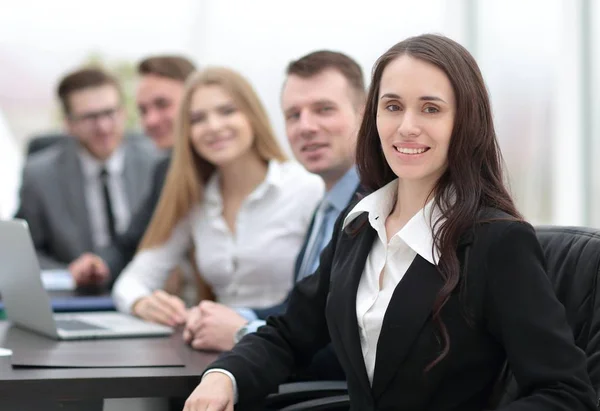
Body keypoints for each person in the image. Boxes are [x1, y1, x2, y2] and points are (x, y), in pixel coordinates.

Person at [184, 34, 596, 411]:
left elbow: (566, 394)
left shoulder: (496, 241)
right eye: (393, 106)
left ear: (464, 121)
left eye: (430, 108)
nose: (406, 127)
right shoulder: (359, 223)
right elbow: (289, 333)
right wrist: (225, 376)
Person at [182, 52, 365, 376]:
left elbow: (359, 345)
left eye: (324, 109)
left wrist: (242, 333)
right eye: (293, 115)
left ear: (364, 114)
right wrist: (236, 314)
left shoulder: (376, 208)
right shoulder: (327, 205)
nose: (306, 126)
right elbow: (304, 315)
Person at [112, 67, 324, 328]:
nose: (213, 127)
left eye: (227, 111)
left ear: (252, 116)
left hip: (285, 348)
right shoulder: (196, 198)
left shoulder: (307, 189)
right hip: (212, 350)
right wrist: (142, 303)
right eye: (198, 119)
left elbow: (322, 305)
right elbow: (132, 281)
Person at [68, 55, 197, 287]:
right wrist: (100, 265)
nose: (150, 121)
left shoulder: (238, 174)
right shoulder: (166, 171)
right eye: (143, 110)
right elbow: (132, 245)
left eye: (162, 104)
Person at [16, 67, 158, 270]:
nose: (104, 127)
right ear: (68, 123)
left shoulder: (155, 164)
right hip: (77, 295)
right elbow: (25, 251)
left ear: (124, 112)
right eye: (90, 117)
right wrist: (69, 273)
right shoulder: (39, 175)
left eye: (110, 113)